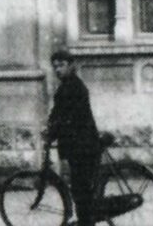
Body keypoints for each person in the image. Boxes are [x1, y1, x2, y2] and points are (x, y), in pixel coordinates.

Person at [46, 49, 101, 226]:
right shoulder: (66, 86)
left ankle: (86, 223)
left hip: (83, 146)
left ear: (71, 66)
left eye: (61, 65)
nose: (57, 70)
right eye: (55, 66)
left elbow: (68, 118)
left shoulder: (73, 87)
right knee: (80, 188)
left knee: (81, 190)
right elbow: (58, 114)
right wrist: (50, 127)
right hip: (79, 146)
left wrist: (52, 131)